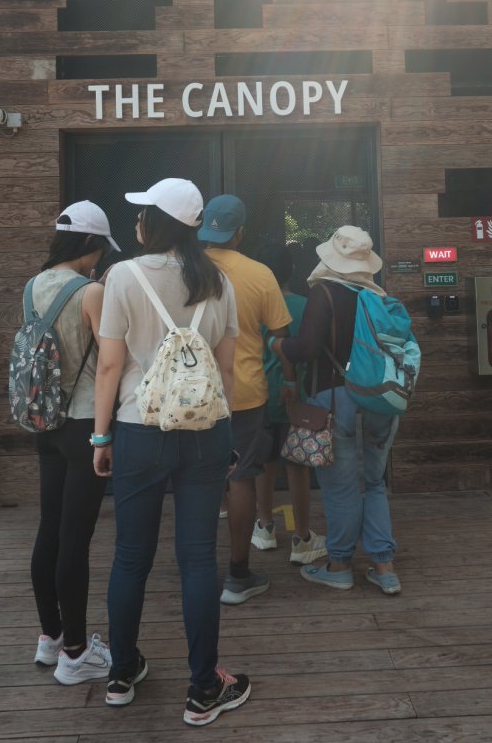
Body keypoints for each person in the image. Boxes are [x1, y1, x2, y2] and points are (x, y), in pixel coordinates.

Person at [92, 178, 251, 725]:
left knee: (131, 556)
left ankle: (121, 674)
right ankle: (204, 688)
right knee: (197, 560)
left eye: (141, 214)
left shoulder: (123, 277)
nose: (135, 222)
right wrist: (224, 435)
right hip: (206, 432)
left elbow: (111, 366)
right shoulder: (217, 280)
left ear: (153, 223)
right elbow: (225, 369)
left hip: (139, 429)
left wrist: (100, 435)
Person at [272, 226, 402, 595]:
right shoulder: (377, 297)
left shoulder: (324, 294)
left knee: (340, 489)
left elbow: (307, 347)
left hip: (336, 401)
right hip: (380, 401)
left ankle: (340, 565)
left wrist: (279, 344)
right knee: (374, 483)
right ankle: (384, 567)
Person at [30, 200, 119, 684]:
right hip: (85, 425)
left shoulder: (33, 285)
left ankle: (51, 636)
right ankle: (78, 654)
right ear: (89, 244)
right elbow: (109, 362)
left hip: (46, 423)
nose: (101, 256)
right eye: (101, 248)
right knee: (75, 541)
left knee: (49, 528)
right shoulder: (89, 292)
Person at [198, 195, 293, 605]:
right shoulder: (260, 274)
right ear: (240, 232)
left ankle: (197, 569)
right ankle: (238, 574)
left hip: (191, 393)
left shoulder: (185, 269)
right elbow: (281, 334)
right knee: (241, 478)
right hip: (245, 392)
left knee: (195, 480)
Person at [251, 243, 327, 566]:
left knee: (263, 464)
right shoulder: (304, 305)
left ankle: (265, 527)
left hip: (260, 394)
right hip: (299, 397)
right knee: (298, 464)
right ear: (292, 270)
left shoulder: (253, 307)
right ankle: (303, 537)